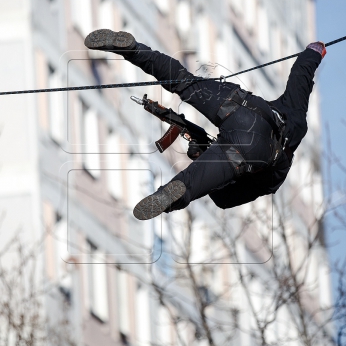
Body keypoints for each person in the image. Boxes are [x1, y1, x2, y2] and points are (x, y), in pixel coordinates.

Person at [84, 29, 325, 221]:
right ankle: (167, 196)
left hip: (241, 106)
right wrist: (201, 158)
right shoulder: (278, 174)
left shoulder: (293, 113)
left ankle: (133, 50)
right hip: (249, 151)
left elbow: (301, 74)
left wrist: (315, 51)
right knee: (188, 184)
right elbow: (225, 199)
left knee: (182, 80)